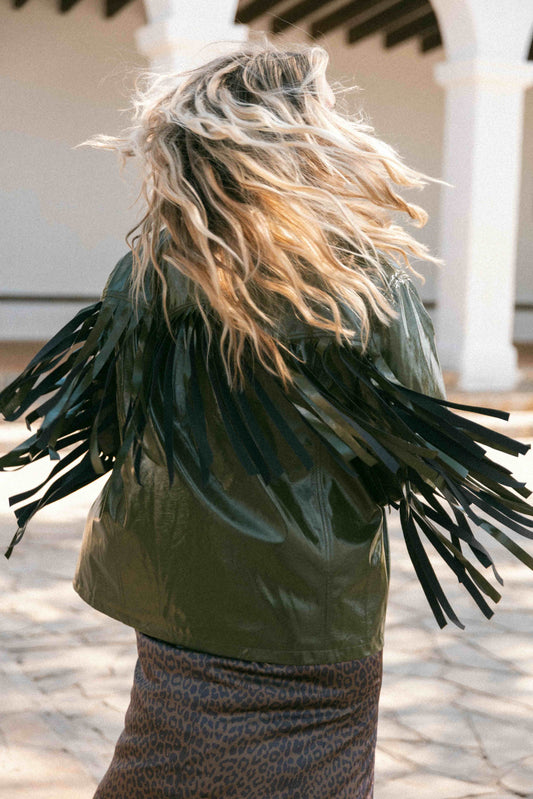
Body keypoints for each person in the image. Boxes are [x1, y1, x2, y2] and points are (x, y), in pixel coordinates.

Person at [1, 41, 532, 799]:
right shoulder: (365, 278)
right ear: (309, 141)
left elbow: (112, 423)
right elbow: (419, 455)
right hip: (314, 614)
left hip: (180, 599)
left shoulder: (151, 268)